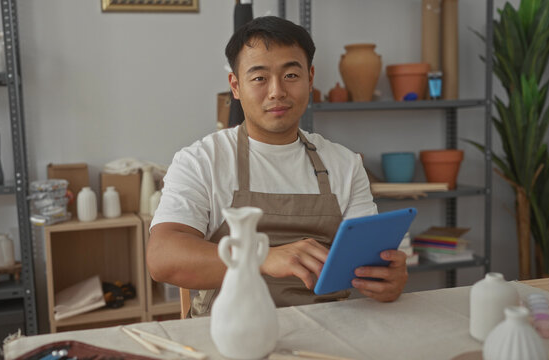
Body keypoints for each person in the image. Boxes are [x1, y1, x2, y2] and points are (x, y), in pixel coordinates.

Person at [147, 16, 408, 317]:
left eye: (291, 76)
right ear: (236, 86)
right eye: (259, 78)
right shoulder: (201, 160)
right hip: (228, 331)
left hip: (330, 327)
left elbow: (369, 263)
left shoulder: (345, 164)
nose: (276, 92)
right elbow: (162, 257)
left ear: (310, 79)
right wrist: (259, 257)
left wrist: (389, 279)